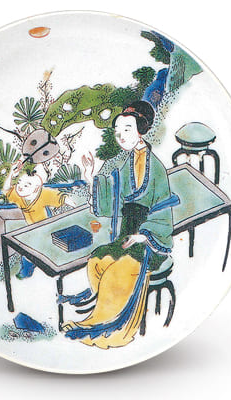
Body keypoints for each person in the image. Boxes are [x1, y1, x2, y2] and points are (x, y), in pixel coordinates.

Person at [61, 101, 175, 349]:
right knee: (98, 259)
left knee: (119, 269)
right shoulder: (127, 162)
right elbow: (113, 195)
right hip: (127, 234)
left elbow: (163, 211)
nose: (121, 136)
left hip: (149, 242)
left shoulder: (156, 168)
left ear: (141, 131)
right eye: (117, 131)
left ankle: (103, 327)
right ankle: (99, 315)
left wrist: (143, 236)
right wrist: (90, 176)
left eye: (127, 129)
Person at [2, 160, 76, 278]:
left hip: (47, 227)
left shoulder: (43, 194)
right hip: (33, 229)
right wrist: (11, 172)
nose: (20, 187)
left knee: (47, 250)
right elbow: (6, 189)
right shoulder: (19, 196)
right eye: (19, 182)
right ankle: (26, 273)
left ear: (36, 188)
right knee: (28, 253)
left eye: (26, 185)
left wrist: (75, 207)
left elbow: (62, 198)